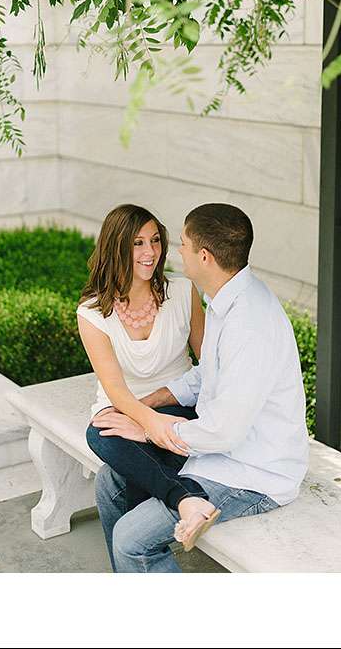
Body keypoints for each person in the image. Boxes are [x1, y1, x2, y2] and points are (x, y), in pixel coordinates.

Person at [89, 203, 310, 573]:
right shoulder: (228, 300)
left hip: (253, 474)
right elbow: (209, 372)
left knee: (132, 540)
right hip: (221, 452)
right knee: (110, 482)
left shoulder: (249, 324)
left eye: (184, 245)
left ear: (204, 256)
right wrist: (154, 401)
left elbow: (223, 431)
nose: (176, 253)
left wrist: (151, 429)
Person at [78, 204, 215, 560]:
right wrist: (151, 424)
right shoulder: (92, 313)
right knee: (99, 433)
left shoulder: (183, 292)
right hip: (125, 411)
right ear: (116, 246)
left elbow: (210, 366)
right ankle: (186, 498)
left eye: (155, 241)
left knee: (112, 481)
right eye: (137, 243)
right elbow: (117, 392)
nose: (150, 252)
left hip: (179, 407)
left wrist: (172, 422)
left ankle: (176, 508)